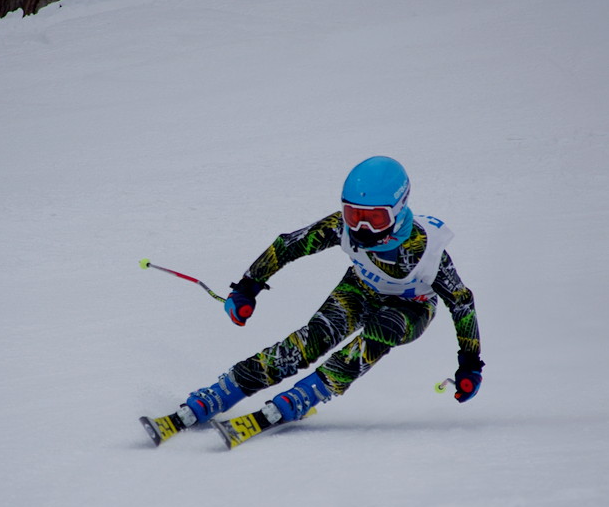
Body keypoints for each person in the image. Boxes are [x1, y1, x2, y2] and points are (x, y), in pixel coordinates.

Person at [174, 156, 483, 431]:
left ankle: (313, 390)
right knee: (316, 336)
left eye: (375, 218)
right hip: (361, 288)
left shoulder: (428, 252)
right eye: (353, 214)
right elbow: (289, 245)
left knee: (383, 329)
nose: (361, 228)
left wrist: (469, 363)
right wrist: (247, 287)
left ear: (399, 210)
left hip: (411, 307)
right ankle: (229, 388)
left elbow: (461, 303)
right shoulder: (342, 229)